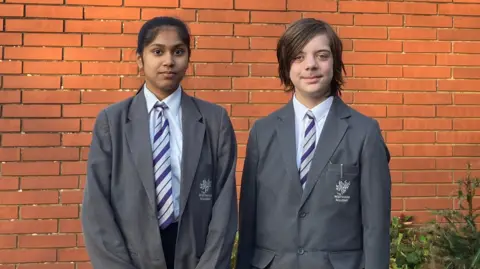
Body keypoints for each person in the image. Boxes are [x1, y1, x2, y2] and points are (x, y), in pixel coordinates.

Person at [81, 16, 238, 269]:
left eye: (178, 51)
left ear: (188, 57)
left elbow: (224, 206)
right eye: (157, 51)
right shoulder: (112, 122)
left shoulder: (214, 121)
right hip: (133, 257)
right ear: (139, 59)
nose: (169, 61)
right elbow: (96, 209)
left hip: (195, 256)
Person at [236, 18, 391, 269]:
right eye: (298, 57)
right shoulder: (262, 132)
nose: (311, 65)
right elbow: (249, 218)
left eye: (322, 55)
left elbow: (376, 224)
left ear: (335, 62)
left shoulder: (364, 132)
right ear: (286, 66)